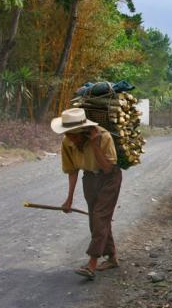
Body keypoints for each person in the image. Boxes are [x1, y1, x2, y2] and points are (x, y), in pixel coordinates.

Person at [51, 108, 122, 279]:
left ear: (84, 131)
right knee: (97, 220)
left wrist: (96, 147)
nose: (70, 139)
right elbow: (72, 170)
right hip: (89, 179)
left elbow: (107, 168)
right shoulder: (68, 142)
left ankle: (91, 264)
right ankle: (112, 258)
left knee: (99, 218)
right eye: (67, 134)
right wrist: (69, 199)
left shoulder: (103, 137)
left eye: (74, 135)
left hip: (109, 178)